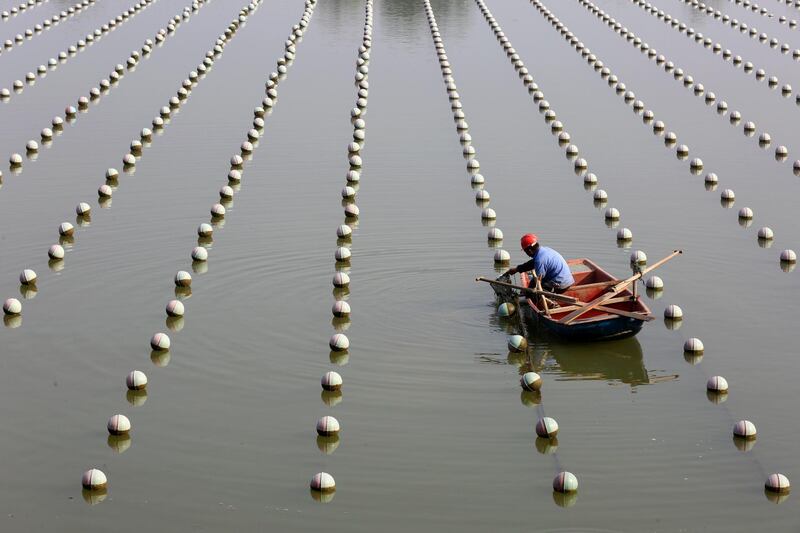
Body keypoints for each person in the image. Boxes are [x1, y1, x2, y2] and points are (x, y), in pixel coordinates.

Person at [502, 233, 574, 293]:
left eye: (525, 251)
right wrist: (517, 269)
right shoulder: (544, 250)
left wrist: (527, 291)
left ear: (529, 250)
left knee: (534, 290)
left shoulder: (539, 260)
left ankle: (549, 302)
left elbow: (538, 281)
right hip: (569, 280)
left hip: (561, 286)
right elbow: (532, 263)